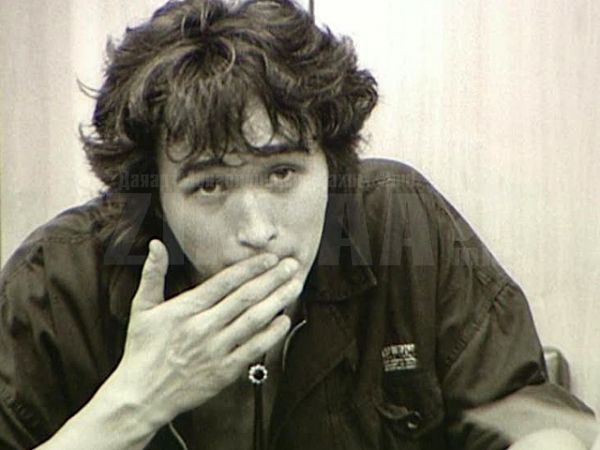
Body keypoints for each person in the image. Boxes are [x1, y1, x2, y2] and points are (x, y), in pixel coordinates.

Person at [0, 0, 597, 449]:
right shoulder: (55, 283)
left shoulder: (400, 224)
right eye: (209, 186)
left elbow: (526, 412)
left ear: (331, 165)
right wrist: (136, 401)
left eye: (282, 173)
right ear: (152, 194)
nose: (257, 229)